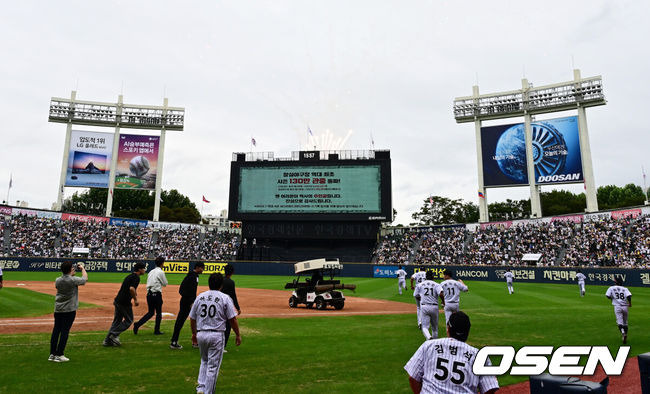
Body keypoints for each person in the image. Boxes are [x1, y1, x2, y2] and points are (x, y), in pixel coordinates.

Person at [404, 311, 499, 394]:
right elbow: (489, 389)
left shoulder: (429, 345)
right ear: (468, 332)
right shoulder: (479, 356)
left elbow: (413, 378)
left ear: (448, 329)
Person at [190, 273, 242, 394]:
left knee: (204, 361)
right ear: (221, 285)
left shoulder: (200, 296)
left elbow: (192, 318)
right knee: (213, 367)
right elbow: (232, 319)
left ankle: (201, 388)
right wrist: (238, 335)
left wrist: (194, 333)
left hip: (201, 333)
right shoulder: (225, 298)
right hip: (216, 335)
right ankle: (208, 392)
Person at [49, 261, 88, 362]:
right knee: (65, 331)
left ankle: (52, 354)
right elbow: (84, 279)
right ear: (69, 270)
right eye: (73, 268)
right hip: (69, 309)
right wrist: (83, 268)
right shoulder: (72, 280)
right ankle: (60, 354)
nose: (74, 269)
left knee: (56, 331)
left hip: (58, 308)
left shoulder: (58, 280)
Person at [103, 262, 146, 346]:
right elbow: (131, 289)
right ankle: (113, 334)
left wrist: (134, 293)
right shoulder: (136, 277)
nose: (144, 270)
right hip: (124, 302)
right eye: (144, 268)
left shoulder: (130, 276)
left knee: (117, 321)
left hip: (118, 300)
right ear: (140, 269)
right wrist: (135, 299)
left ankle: (107, 341)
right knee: (129, 320)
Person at [170, 262, 204, 350]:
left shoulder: (191, 275)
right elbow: (190, 291)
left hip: (186, 300)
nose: (203, 270)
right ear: (197, 267)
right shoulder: (193, 276)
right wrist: (191, 302)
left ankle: (193, 341)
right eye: (202, 268)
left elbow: (182, 289)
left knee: (182, 320)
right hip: (188, 302)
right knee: (185, 321)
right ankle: (176, 342)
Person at [134, 256, 168, 335]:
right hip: (156, 294)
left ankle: (138, 324)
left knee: (150, 312)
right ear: (162, 263)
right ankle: (157, 330)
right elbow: (165, 283)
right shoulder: (161, 272)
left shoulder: (151, 271)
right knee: (158, 313)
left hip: (149, 294)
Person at [414, 271, 444, 341]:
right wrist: (443, 301)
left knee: (424, 327)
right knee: (435, 328)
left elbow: (416, 295)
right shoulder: (436, 284)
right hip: (434, 307)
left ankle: (429, 338)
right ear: (433, 277)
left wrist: (421, 299)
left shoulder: (420, 284)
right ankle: (434, 343)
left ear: (425, 277)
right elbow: (441, 294)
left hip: (424, 307)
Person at [605, 276, 632, 344]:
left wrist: (612, 298)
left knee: (619, 322)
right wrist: (630, 303)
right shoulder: (625, 288)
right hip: (625, 307)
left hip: (617, 307)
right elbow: (629, 296)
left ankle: (623, 333)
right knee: (625, 322)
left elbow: (607, 295)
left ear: (615, 282)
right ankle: (625, 334)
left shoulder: (611, 288)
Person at [221, 264, 241, 352]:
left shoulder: (220, 280)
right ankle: (222, 346)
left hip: (218, 304)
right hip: (226, 306)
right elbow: (233, 296)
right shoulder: (231, 282)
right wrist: (237, 307)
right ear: (232, 272)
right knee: (228, 326)